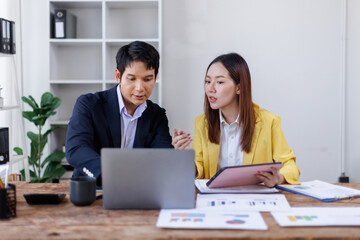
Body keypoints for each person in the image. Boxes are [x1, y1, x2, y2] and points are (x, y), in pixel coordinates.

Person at [172, 53, 300, 187]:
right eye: (208, 81)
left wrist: (279, 178)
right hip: (215, 200)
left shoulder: (269, 122)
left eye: (219, 82)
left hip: (254, 199)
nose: (210, 89)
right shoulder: (201, 123)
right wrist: (185, 157)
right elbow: (199, 169)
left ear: (239, 87)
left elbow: (290, 165)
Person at [66, 41, 173, 185]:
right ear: (118, 76)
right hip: (94, 189)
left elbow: (162, 157)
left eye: (148, 79)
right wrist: (112, 173)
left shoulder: (157, 115)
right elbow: (76, 149)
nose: (140, 88)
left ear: (155, 76)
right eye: (132, 79)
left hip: (139, 191)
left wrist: (171, 156)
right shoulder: (89, 104)